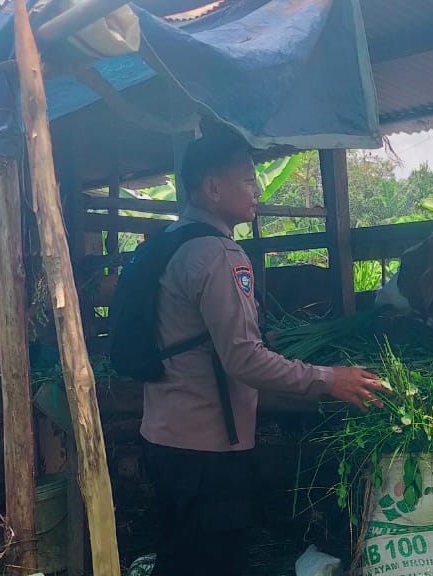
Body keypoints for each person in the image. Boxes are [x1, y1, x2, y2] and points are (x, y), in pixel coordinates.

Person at [141, 129, 391, 576]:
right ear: (212, 188)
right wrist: (331, 379)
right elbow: (245, 360)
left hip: (164, 438)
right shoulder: (218, 254)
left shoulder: (167, 243)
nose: (257, 189)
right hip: (208, 452)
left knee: (178, 559)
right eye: (248, 179)